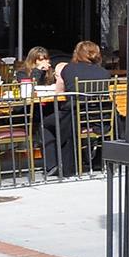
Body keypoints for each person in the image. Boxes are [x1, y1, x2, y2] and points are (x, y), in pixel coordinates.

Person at [42, 41, 114, 177]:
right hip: (99, 119)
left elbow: (59, 93)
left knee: (45, 124)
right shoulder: (104, 73)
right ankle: (96, 160)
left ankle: (52, 164)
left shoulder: (68, 69)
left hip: (73, 117)